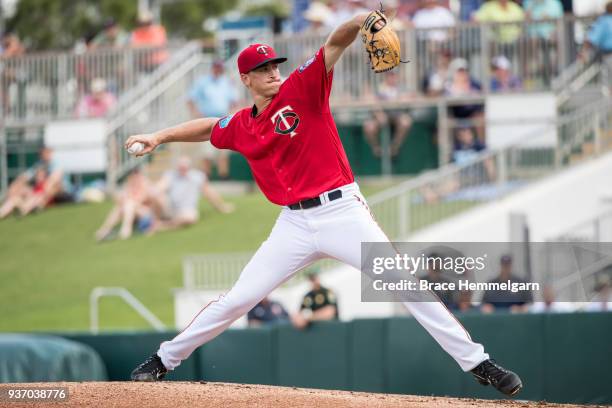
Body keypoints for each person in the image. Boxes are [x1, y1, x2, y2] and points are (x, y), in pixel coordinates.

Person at [126, 12, 523, 397]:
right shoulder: (244, 126)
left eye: (274, 65)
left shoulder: (302, 87)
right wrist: (159, 137)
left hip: (342, 212)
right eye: (263, 68)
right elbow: (211, 126)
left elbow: (335, 42)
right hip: (294, 225)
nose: (273, 72)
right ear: (245, 78)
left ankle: (478, 363)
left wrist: (361, 21)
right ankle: (163, 360)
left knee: (403, 282)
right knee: (238, 299)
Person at [151, 156, 234, 232]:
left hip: (187, 210)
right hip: (170, 207)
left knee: (190, 218)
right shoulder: (170, 175)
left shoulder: (197, 176)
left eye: (184, 167)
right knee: (157, 196)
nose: (182, 169)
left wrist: (221, 207)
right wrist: (156, 191)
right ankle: (156, 222)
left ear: (189, 167)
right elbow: (160, 186)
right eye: (180, 167)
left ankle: (163, 225)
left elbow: (209, 193)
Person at [187, 61, 238, 179]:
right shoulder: (203, 82)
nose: (218, 70)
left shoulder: (226, 82)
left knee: (224, 150)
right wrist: (195, 113)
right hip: (207, 119)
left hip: (223, 120)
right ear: (212, 68)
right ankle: (206, 176)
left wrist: (232, 113)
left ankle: (223, 176)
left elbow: (234, 100)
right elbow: (190, 98)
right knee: (207, 151)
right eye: (216, 68)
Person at [0, 147, 72, 219]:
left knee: (43, 192)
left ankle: (24, 209)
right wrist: (14, 186)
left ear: (50, 153)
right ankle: (6, 211)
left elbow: (53, 181)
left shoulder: (57, 165)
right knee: (17, 194)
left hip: (59, 193)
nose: (43, 155)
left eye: (45, 153)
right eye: (42, 154)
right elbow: (25, 176)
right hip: (40, 193)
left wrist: (43, 188)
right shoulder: (39, 164)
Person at [94, 168, 157, 241]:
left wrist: (128, 200)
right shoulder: (129, 185)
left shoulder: (145, 183)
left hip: (147, 214)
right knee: (118, 208)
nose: (134, 178)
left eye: (135, 176)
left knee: (130, 204)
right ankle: (105, 229)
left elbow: (142, 199)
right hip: (134, 211)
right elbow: (122, 198)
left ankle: (126, 230)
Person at [363, 71, 413, 158]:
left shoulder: (401, 88)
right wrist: (379, 114)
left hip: (397, 116)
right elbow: (371, 102)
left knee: (406, 122)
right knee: (369, 126)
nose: (391, 78)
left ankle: (394, 147)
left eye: (393, 76)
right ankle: (377, 149)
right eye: (389, 76)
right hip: (381, 116)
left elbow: (409, 100)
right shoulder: (379, 88)